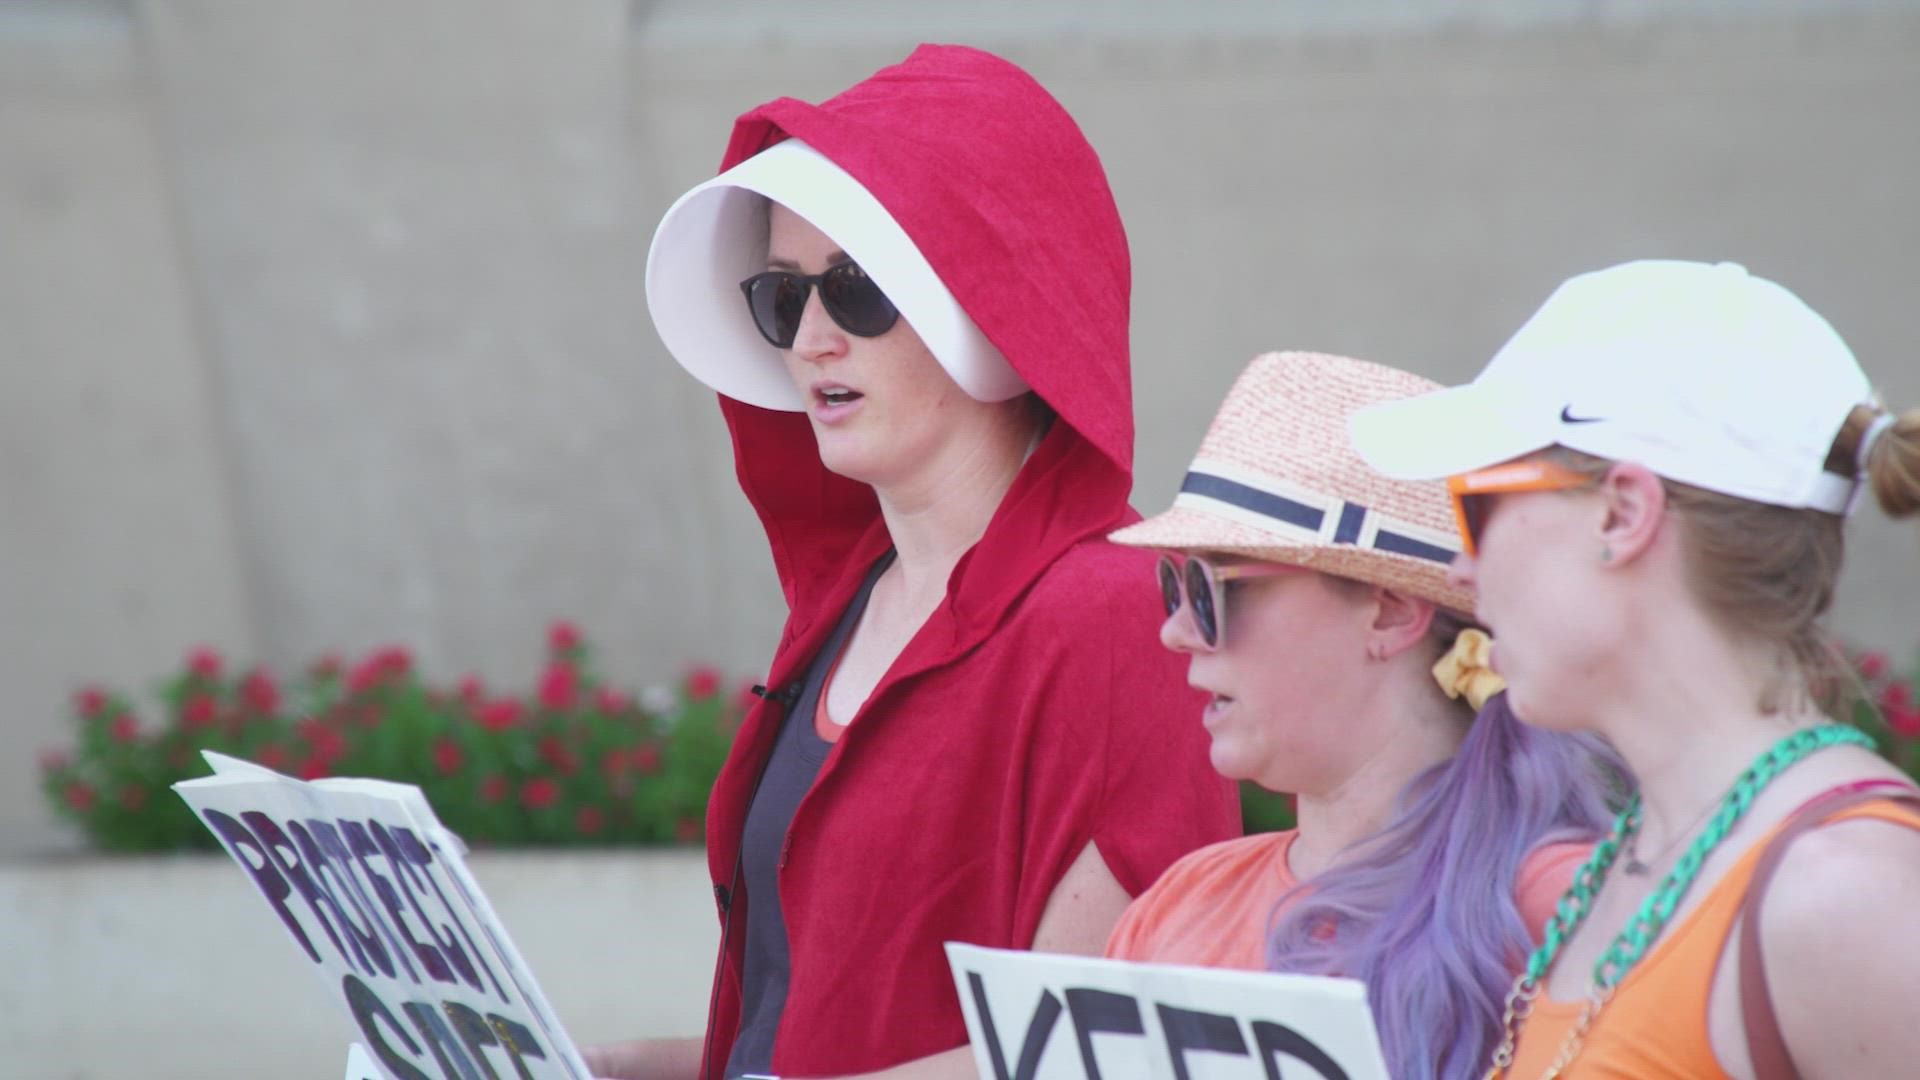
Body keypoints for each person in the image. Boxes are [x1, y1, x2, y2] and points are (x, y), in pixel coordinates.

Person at [586, 45, 1239, 1080]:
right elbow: (802, 1026)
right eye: (780, 296)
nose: (809, 339)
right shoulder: (853, 607)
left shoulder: (1117, 614)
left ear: (992, 304)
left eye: (855, 292)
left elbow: (1090, 1052)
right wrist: (600, 1067)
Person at [1349, 259, 1920, 1078]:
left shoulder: (1843, 890)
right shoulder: (1636, 860)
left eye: (1474, 505)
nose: (1459, 573)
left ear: (1622, 514)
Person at [1102, 350, 1620, 1080]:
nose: (1176, 629)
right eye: (1171, 583)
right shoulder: (1180, 902)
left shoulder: (1570, 911)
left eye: (1213, 585)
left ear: (1390, 609)